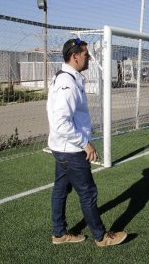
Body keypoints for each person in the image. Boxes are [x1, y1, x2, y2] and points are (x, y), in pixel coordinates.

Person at [46, 38, 127, 246]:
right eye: (85, 54)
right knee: (87, 192)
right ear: (75, 57)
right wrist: (84, 143)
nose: (89, 58)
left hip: (62, 147)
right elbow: (60, 122)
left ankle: (59, 233)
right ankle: (100, 237)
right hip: (70, 149)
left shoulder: (66, 78)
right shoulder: (67, 83)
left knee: (61, 189)